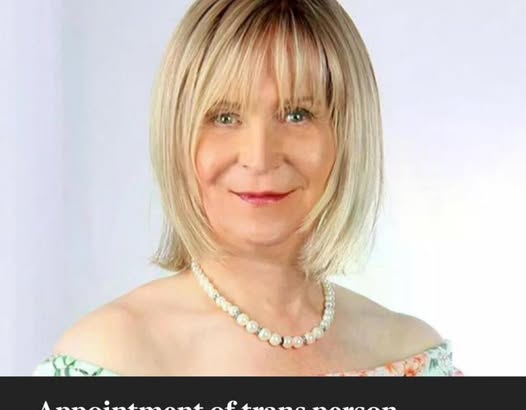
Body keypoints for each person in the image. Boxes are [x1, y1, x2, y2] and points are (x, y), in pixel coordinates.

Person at [33, 0, 463, 377]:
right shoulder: (110, 357)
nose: (259, 157)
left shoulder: (413, 359)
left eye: (297, 115)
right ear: (176, 135)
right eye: (225, 117)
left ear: (348, 135)